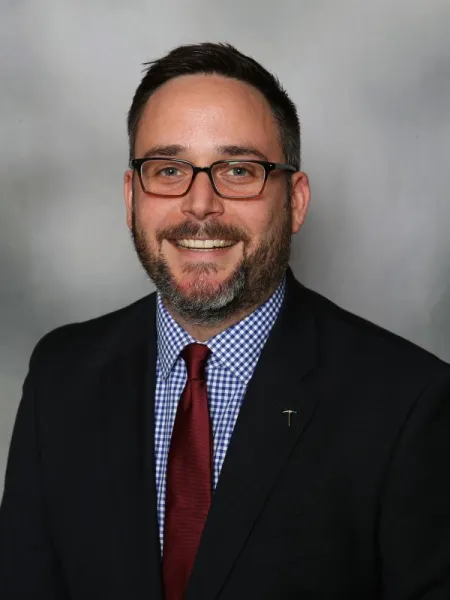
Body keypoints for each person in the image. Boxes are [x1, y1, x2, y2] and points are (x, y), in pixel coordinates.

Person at [1, 42, 450, 600]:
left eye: (239, 170)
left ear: (297, 200)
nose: (199, 205)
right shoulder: (60, 376)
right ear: (130, 197)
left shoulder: (408, 402)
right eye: (168, 169)